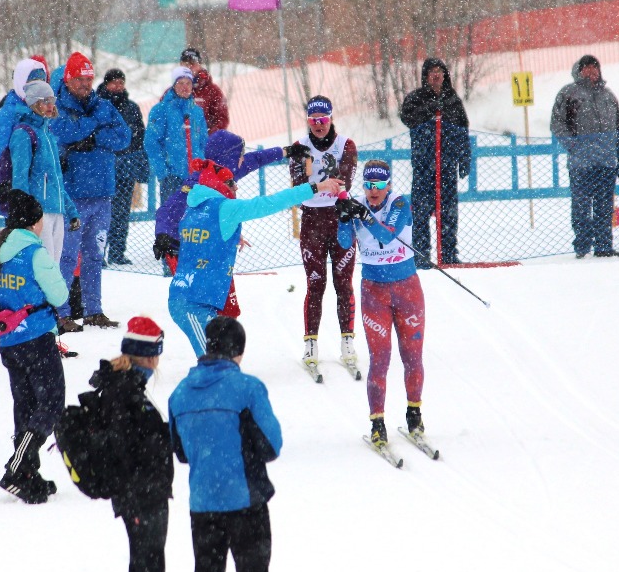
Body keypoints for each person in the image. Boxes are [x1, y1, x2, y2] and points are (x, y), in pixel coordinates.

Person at [168, 316, 281, 572]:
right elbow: (272, 446)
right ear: (239, 352)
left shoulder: (180, 394)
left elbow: (182, 453)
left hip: (203, 505)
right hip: (247, 503)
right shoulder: (248, 388)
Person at [168, 155, 341, 358]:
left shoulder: (194, 208)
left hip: (189, 298)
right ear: (218, 185)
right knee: (214, 363)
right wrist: (315, 188)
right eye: (231, 183)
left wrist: (231, 234)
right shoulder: (224, 209)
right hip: (194, 306)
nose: (236, 188)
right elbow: (269, 203)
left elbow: (202, 236)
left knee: (224, 361)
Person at [154, 130, 308, 319]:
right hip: (183, 248)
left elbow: (256, 158)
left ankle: (221, 330)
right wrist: (162, 235)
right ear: (230, 157)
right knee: (203, 305)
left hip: (211, 247)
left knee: (225, 308)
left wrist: (286, 151)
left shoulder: (227, 170)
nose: (244, 159)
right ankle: (210, 330)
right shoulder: (199, 181)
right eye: (240, 155)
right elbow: (167, 210)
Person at [89, 316, 171, 572]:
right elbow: (128, 447)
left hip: (139, 494)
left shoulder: (120, 386)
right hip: (141, 495)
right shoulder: (127, 394)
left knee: (148, 566)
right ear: (151, 356)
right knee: (148, 568)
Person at [0, 190, 70, 504]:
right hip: (37, 338)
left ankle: (27, 473)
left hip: (10, 341)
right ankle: (18, 465)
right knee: (51, 403)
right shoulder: (35, 253)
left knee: (25, 405)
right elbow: (59, 295)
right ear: (34, 222)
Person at [336, 160, 426, 446]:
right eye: (368, 185)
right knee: (380, 358)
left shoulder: (400, 203)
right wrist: (342, 218)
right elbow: (342, 242)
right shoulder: (358, 204)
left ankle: (414, 414)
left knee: (411, 356)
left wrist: (362, 214)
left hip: (407, 289)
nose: (373, 191)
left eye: (378, 186)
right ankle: (377, 423)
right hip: (374, 291)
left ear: (388, 185)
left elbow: (387, 235)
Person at [51, 52, 130, 332]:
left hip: (102, 193)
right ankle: (61, 313)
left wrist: (92, 136)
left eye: (88, 78)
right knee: (67, 256)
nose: (85, 84)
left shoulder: (104, 106)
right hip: (72, 196)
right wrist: (92, 127)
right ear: (68, 79)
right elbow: (61, 133)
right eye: (79, 79)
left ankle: (93, 310)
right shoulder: (57, 106)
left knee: (95, 255)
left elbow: (124, 137)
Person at [288, 95, 358, 374]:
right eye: (314, 120)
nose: (319, 125)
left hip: (340, 220)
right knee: (315, 284)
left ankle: (347, 342)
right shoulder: (299, 148)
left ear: (330, 119)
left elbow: (346, 181)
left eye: (323, 120)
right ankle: (311, 344)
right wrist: (321, 187)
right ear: (308, 120)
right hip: (312, 222)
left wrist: (316, 186)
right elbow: (297, 185)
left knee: (344, 284)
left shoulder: (346, 145)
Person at [550, 55, 619, 258]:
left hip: (606, 161)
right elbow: (557, 124)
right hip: (581, 164)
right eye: (588, 68)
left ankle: (604, 245)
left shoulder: (608, 95)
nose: (592, 72)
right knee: (581, 206)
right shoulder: (569, 94)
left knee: (604, 206)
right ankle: (582, 245)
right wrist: (573, 145)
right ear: (579, 70)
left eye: (595, 68)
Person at [398, 58, 470, 266]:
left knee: (448, 212)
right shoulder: (416, 99)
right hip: (423, 165)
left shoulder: (452, 99)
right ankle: (421, 255)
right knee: (420, 212)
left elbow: (463, 129)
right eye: (432, 72)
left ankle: (448, 255)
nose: (436, 75)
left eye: (439, 71)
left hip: (447, 165)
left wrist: (464, 157)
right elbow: (407, 117)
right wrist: (428, 111)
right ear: (425, 76)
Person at [8, 73, 79, 267]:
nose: (50, 105)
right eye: (45, 101)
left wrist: (70, 210)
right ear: (34, 102)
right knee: (42, 266)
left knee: (53, 266)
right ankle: (40, 299)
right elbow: (20, 177)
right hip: (39, 213)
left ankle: (49, 299)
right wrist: (25, 212)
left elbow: (56, 178)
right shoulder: (24, 133)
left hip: (56, 209)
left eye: (52, 100)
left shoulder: (47, 133)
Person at [98, 69, 148, 266]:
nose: (118, 86)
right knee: (101, 213)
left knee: (121, 212)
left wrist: (140, 164)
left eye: (121, 82)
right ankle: (98, 253)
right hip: (103, 168)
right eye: (114, 83)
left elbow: (139, 136)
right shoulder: (98, 105)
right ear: (106, 84)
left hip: (126, 167)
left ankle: (117, 252)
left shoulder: (132, 107)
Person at [146, 66, 208, 206]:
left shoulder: (197, 111)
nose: (185, 87)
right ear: (173, 85)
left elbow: (204, 142)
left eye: (188, 83)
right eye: (180, 83)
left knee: (195, 219)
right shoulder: (161, 110)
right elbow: (151, 143)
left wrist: (203, 165)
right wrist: (163, 173)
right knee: (172, 220)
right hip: (173, 176)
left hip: (196, 176)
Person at [180, 47, 229, 132]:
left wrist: (207, 138)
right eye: (186, 64)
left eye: (193, 63)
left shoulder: (213, 91)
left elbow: (222, 120)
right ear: (180, 65)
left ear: (200, 65)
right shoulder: (172, 92)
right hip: (178, 143)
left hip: (204, 142)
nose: (190, 67)